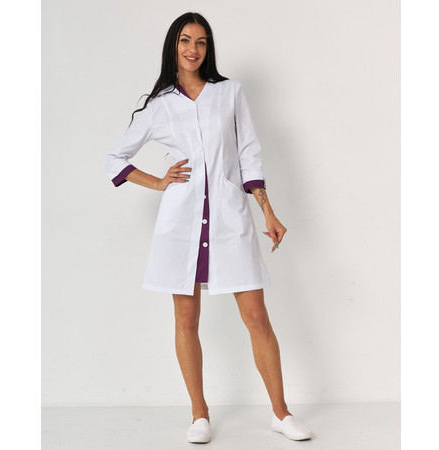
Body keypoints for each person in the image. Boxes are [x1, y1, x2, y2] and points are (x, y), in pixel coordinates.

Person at [104, 11, 312, 444]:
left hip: (229, 218)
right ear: (173, 46)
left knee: (256, 316)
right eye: (185, 40)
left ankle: (281, 413)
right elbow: (115, 158)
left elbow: (249, 153)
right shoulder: (159, 105)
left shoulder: (229, 93)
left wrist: (268, 212)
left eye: (201, 42)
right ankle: (199, 414)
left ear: (208, 48)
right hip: (180, 223)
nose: (193, 49)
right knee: (186, 318)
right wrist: (159, 182)